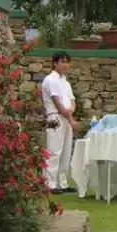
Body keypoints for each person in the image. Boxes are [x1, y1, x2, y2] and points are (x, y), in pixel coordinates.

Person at [42, 51, 77, 194]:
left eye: (66, 62)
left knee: (66, 151)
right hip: (55, 117)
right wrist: (70, 118)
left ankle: (62, 182)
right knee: (54, 151)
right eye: (62, 62)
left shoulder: (66, 82)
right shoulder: (51, 80)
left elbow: (72, 101)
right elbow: (58, 104)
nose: (65, 65)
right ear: (54, 63)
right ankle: (50, 184)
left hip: (66, 117)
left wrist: (71, 112)